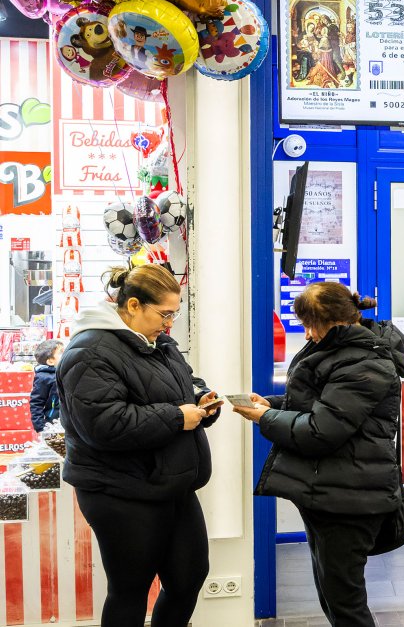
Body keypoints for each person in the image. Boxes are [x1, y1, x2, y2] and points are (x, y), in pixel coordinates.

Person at [234, 283, 404, 627]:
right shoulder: (338, 350)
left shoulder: (366, 363)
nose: (306, 333)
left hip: (351, 496)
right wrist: (269, 404)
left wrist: (265, 419)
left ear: (335, 322)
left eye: (309, 324)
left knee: (345, 601)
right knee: (332, 592)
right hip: (331, 489)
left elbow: (321, 429)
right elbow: (317, 403)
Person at [58, 265, 221, 627]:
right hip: (119, 489)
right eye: (165, 314)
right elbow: (104, 425)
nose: (170, 323)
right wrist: (179, 417)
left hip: (170, 483)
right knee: (130, 591)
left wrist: (200, 398)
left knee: (188, 578)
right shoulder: (89, 352)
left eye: (174, 314)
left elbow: (183, 383)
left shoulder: (157, 342)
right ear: (133, 305)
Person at [30, 339, 63, 432]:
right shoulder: (43, 377)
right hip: (53, 421)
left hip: (67, 420)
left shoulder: (64, 372)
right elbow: (37, 402)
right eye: (61, 352)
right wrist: (41, 427)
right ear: (51, 361)